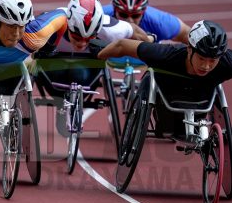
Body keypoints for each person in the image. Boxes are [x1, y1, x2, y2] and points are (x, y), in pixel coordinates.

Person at [32, 0, 151, 136]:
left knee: (78, 72)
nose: (82, 44)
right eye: (76, 37)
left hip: (85, 74)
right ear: (68, 25)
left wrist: (150, 41)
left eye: (88, 39)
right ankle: (63, 104)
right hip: (52, 73)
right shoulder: (51, 22)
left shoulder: (109, 29)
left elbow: (134, 30)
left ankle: (71, 104)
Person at [97, 20, 231, 135]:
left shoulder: (226, 63)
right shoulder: (166, 56)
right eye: (201, 58)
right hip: (165, 113)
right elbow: (122, 45)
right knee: (150, 76)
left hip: (200, 113)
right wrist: (97, 57)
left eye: (212, 60)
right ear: (189, 48)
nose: (206, 66)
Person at [103, 0, 191, 44]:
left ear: (144, 11)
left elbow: (187, 34)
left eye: (135, 16)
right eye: (123, 14)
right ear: (114, 9)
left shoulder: (159, 22)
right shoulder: (101, 16)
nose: (130, 21)